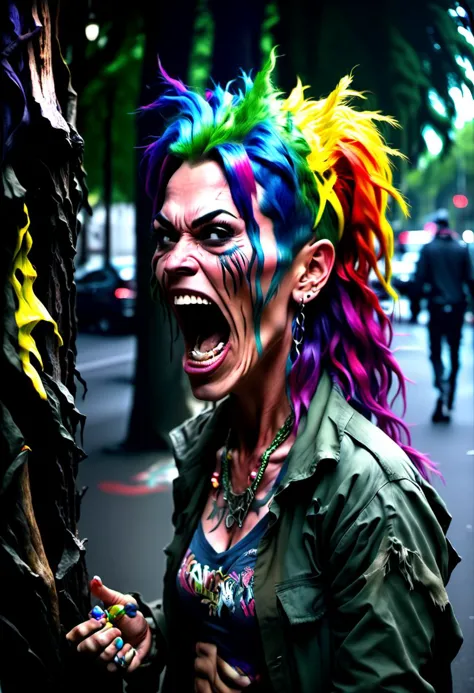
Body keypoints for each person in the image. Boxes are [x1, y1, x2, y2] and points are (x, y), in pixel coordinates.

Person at [66, 51, 463, 692]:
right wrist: (158, 632)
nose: (171, 263)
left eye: (217, 233)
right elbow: (236, 605)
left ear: (308, 271)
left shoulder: (369, 496)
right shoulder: (208, 451)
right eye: (167, 236)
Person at [413, 211, 474, 423]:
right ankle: (450, 390)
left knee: (436, 351)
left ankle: (441, 383)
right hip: (457, 307)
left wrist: (415, 307)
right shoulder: (461, 248)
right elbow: (470, 280)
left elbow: (419, 280)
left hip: (436, 307)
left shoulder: (428, 249)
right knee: (455, 351)